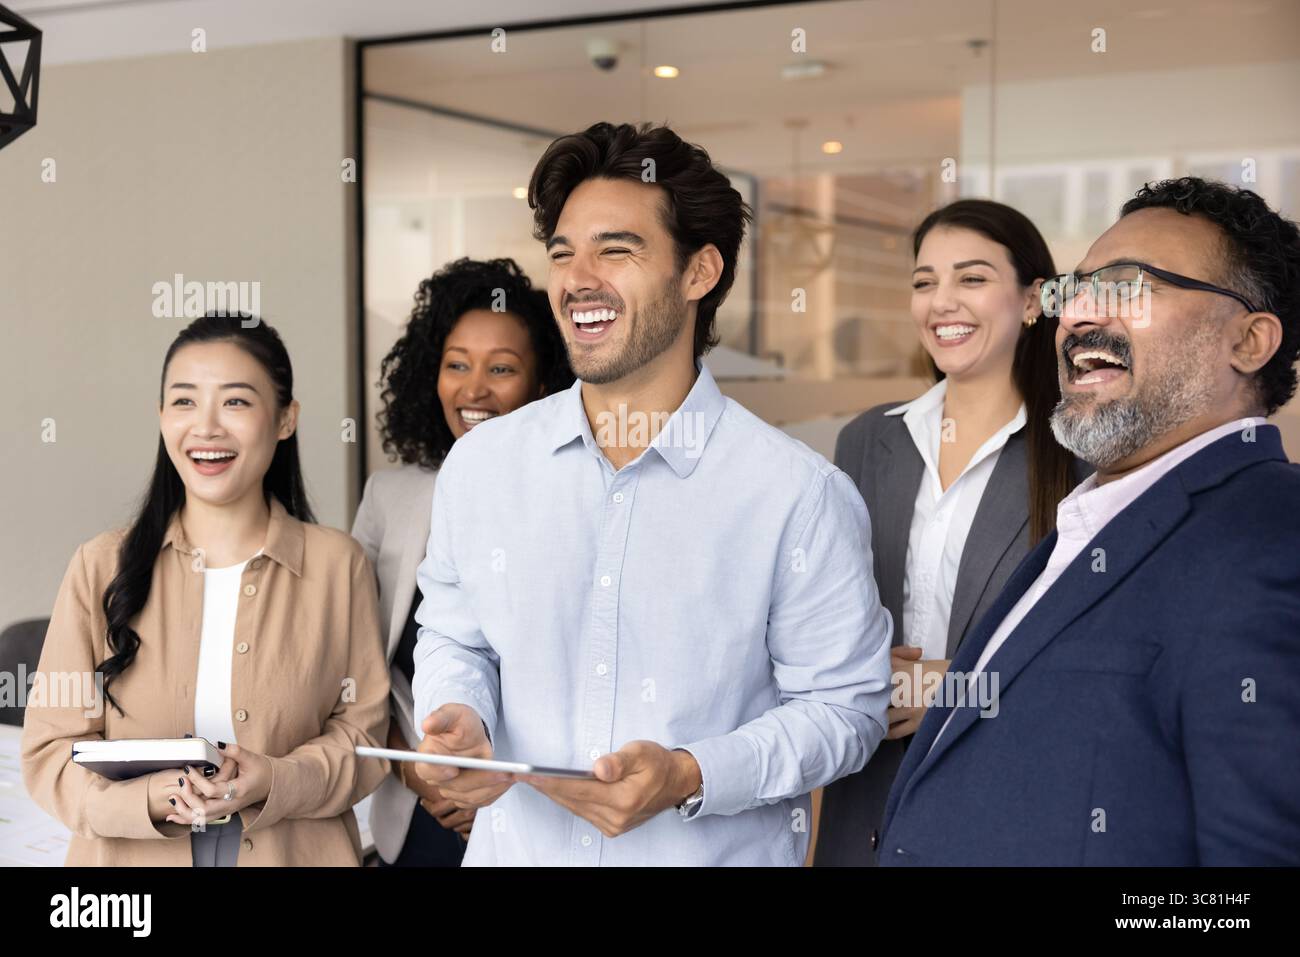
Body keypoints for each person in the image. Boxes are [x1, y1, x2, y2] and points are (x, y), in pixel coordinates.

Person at [409, 121, 893, 866]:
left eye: (617, 250)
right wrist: (458, 712)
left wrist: (690, 774)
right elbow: (455, 634)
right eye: (564, 253)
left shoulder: (796, 495)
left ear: (698, 273)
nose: (578, 279)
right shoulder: (482, 467)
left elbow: (845, 711)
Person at [881, 177, 1300, 865]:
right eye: (1073, 291)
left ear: (1249, 340)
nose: (1076, 314)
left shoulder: (1272, 540)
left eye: (1127, 287)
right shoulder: (1092, 525)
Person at [22, 314, 390, 866]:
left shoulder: (339, 566)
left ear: (286, 419)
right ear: (161, 417)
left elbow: (363, 741)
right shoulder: (99, 567)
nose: (207, 427)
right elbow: (49, 754)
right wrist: (148, 798)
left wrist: (277, 779)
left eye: (236, 402)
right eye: (185, 402)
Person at [815, 199, 1085, 866]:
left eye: (971, 278)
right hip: (867, 803)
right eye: (924, 281)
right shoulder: (866, 440)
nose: (942, 302)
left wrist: (960, 684)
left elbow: (1106, 655)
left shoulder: (1084, 456)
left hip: (1011, 799)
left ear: (1030, 302)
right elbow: (821, 612)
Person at [352, 257, 573, 866]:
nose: (473, 389)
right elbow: (356, 671)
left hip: (542, 819)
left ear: (543, 383)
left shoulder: (578, 497)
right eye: (456, 365)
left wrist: (502, 789)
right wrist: (422, 772)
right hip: (422, 816)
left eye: (501, 368)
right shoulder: (389, 497)